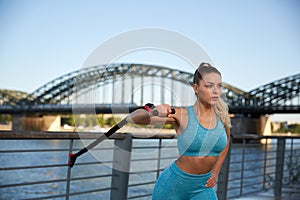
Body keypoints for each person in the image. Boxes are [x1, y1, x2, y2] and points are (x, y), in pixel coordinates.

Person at [127, 63, 231, 200]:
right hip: (173, 187)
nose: (216, 91)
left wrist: (216, 172)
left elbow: (227, 142)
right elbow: (132, 118)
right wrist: (155, 110)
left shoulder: (222, 115)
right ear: (196, 88)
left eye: (219, 86)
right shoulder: (181, 115)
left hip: (203, 187)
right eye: (209, 86)